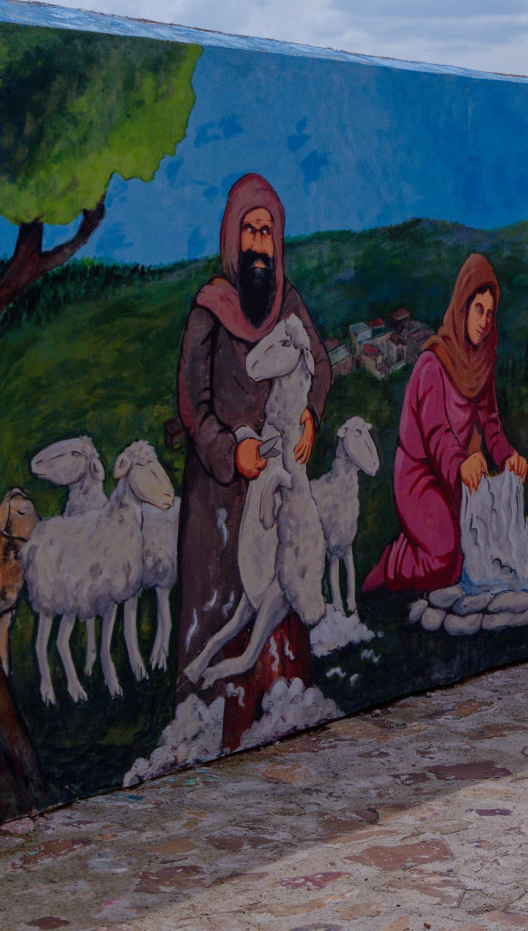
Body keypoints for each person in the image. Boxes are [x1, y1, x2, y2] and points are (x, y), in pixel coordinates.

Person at [175, 173, 331, 751]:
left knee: (276, 621)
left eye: (268, 232)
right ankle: (199, 738)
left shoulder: (288, 303)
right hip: (220, 500)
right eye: (251, 230)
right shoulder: (209, 311)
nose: (260, 243)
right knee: (222, 612)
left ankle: (281, 720)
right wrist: (229, 450)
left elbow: (319, 362)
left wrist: (311, 412)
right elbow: (193, 405)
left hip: (279, 494)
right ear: (233, 238)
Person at [363, 254, 528, 593]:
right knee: (444, 560)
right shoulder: (432, 364)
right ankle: (387, 571)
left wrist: (509, 456)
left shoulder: (481, 363)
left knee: (469, 554)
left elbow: (491, 423)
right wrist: (460, 463)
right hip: (420, 475)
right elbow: (436, 433)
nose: (483, 321)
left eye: (489, 313)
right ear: (462, 307)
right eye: (477, 310)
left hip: (457, 475)